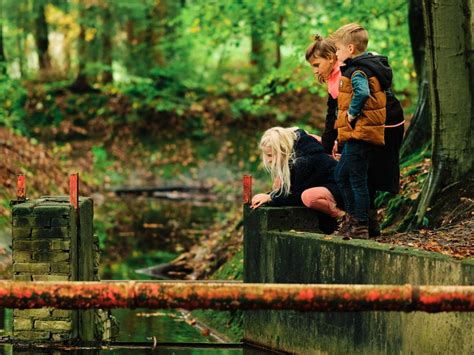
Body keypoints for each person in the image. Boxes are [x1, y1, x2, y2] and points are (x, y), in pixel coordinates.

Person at [305, 34, 405, 238]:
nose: (315, 71)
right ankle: (362, 221)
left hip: (375, 126)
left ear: (333, 57)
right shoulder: (342, 74)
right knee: (351, 174)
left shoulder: (351, 72)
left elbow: (354, 104)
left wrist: (342, 135)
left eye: (317, 64)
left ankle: (361, 224)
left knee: (361, 175)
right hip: (359, 129)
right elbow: (335, 113)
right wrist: (331, 143)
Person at [330, 23, 396, 239]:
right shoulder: (367, 66)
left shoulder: (357, 70)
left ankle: (359, 225)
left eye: (337, 50)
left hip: (361, 133)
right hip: (359, 134)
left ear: (350, 48)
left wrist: (351, 114)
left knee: (354, 179)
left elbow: (362, 93)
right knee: (343, 175)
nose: (336, 54)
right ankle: (357, 220)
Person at [250, 127, 344, 234]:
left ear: (282, 149)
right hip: (323, 186)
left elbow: (296, 196)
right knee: (278, 184)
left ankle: (342, 217)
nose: (268, 160)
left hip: (340, 189)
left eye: (270, 155)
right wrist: (270, 195)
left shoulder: (304, 161)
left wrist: (270, 197)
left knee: (308, 197)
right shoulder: (295, 152)